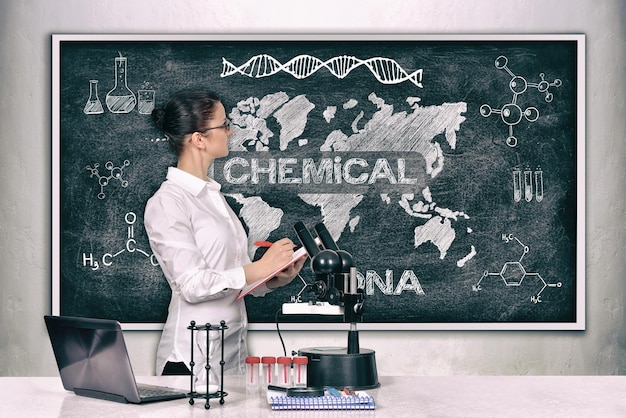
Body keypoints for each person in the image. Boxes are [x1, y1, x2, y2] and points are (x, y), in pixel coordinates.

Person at [144, 90, 304, 378]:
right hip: (190, 362)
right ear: (199, 139)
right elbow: (192, 285)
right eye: (224, 124)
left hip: (232, 358)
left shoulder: (213, 197)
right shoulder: (168, 203)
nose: (231, 131)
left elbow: (233, 278)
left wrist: (273, 278)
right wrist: (257, 268)